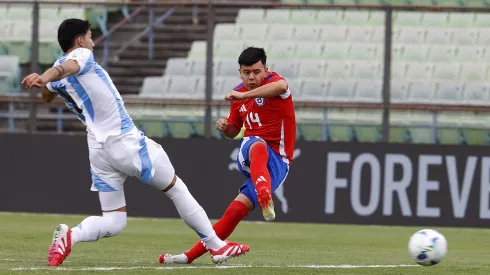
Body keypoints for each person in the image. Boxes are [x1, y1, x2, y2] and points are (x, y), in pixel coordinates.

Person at [21, 18, 249, 267]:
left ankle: (70, 235)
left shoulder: (58, 70)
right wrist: (45, 76)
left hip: (98, 150)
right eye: (89, 36)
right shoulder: (81, 55)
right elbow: (68, 68)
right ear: (79, 41)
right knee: (175, 187)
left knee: (114, 221)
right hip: (123, 140)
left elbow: (48, 93)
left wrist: (45, 80)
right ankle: (217, 247)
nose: (92, 42)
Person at [160, 47, 296, 264]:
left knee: (234, 212)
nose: (252, 77)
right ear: (240, 72)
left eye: (256, 71)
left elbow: (282, 86)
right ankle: (264, 193)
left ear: (266, 70)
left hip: (279, 162)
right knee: (257, 143)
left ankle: (188, 257)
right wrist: (225, 127)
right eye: (246, 72)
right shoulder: (238, 95)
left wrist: (244, 94)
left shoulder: (273, 84)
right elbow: (234, 129)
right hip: (249, 152)